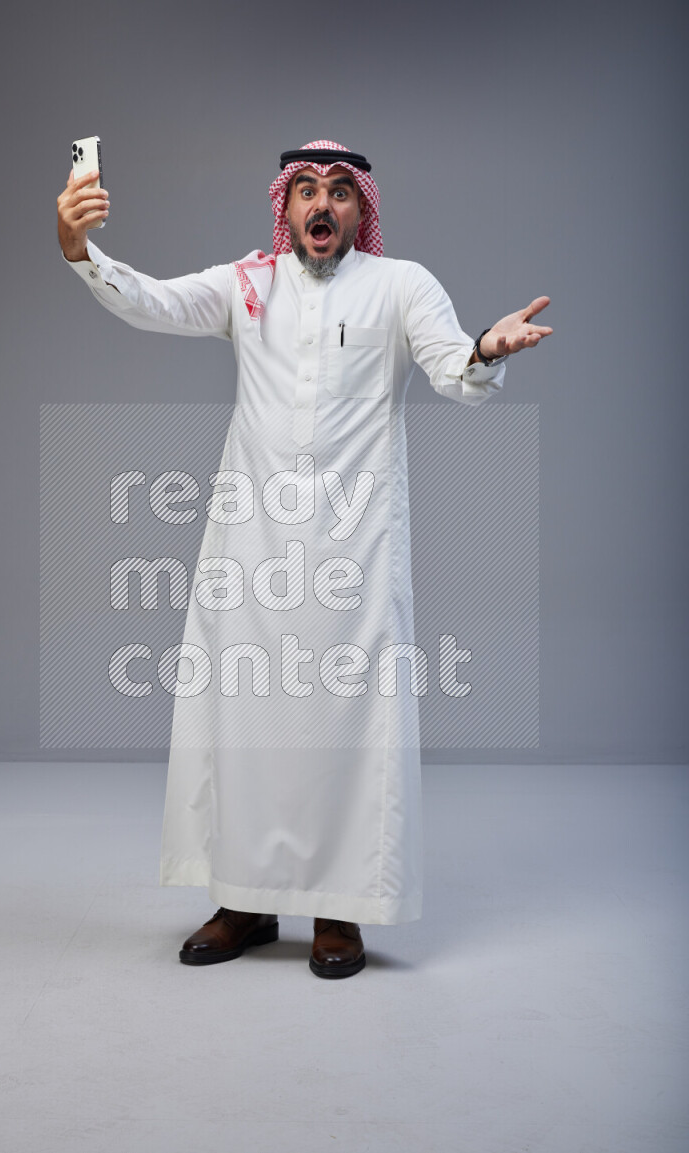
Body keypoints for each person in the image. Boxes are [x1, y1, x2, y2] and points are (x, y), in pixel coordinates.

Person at [57, 139, 552, 979]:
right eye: (307, 192)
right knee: (245, 718)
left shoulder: (402, 286)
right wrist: (78, 250)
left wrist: (486, 349)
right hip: (249, 549)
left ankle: (339, 912)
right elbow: (154, 302)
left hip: (354, 553)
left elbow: (450, 369)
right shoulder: (249, 285)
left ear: (362, 210)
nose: (322, 206)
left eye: (340, 193)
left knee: (347, 727)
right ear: (285, 208)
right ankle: (244, 901)